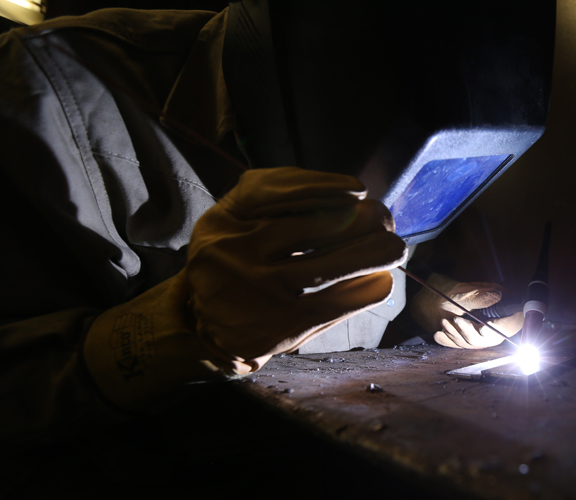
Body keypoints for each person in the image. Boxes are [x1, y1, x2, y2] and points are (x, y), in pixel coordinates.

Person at [0, 6, 522, 444]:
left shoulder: (451, 110)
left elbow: (407, 260)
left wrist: (435, 301)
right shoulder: (48, 90)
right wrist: (179, 330)